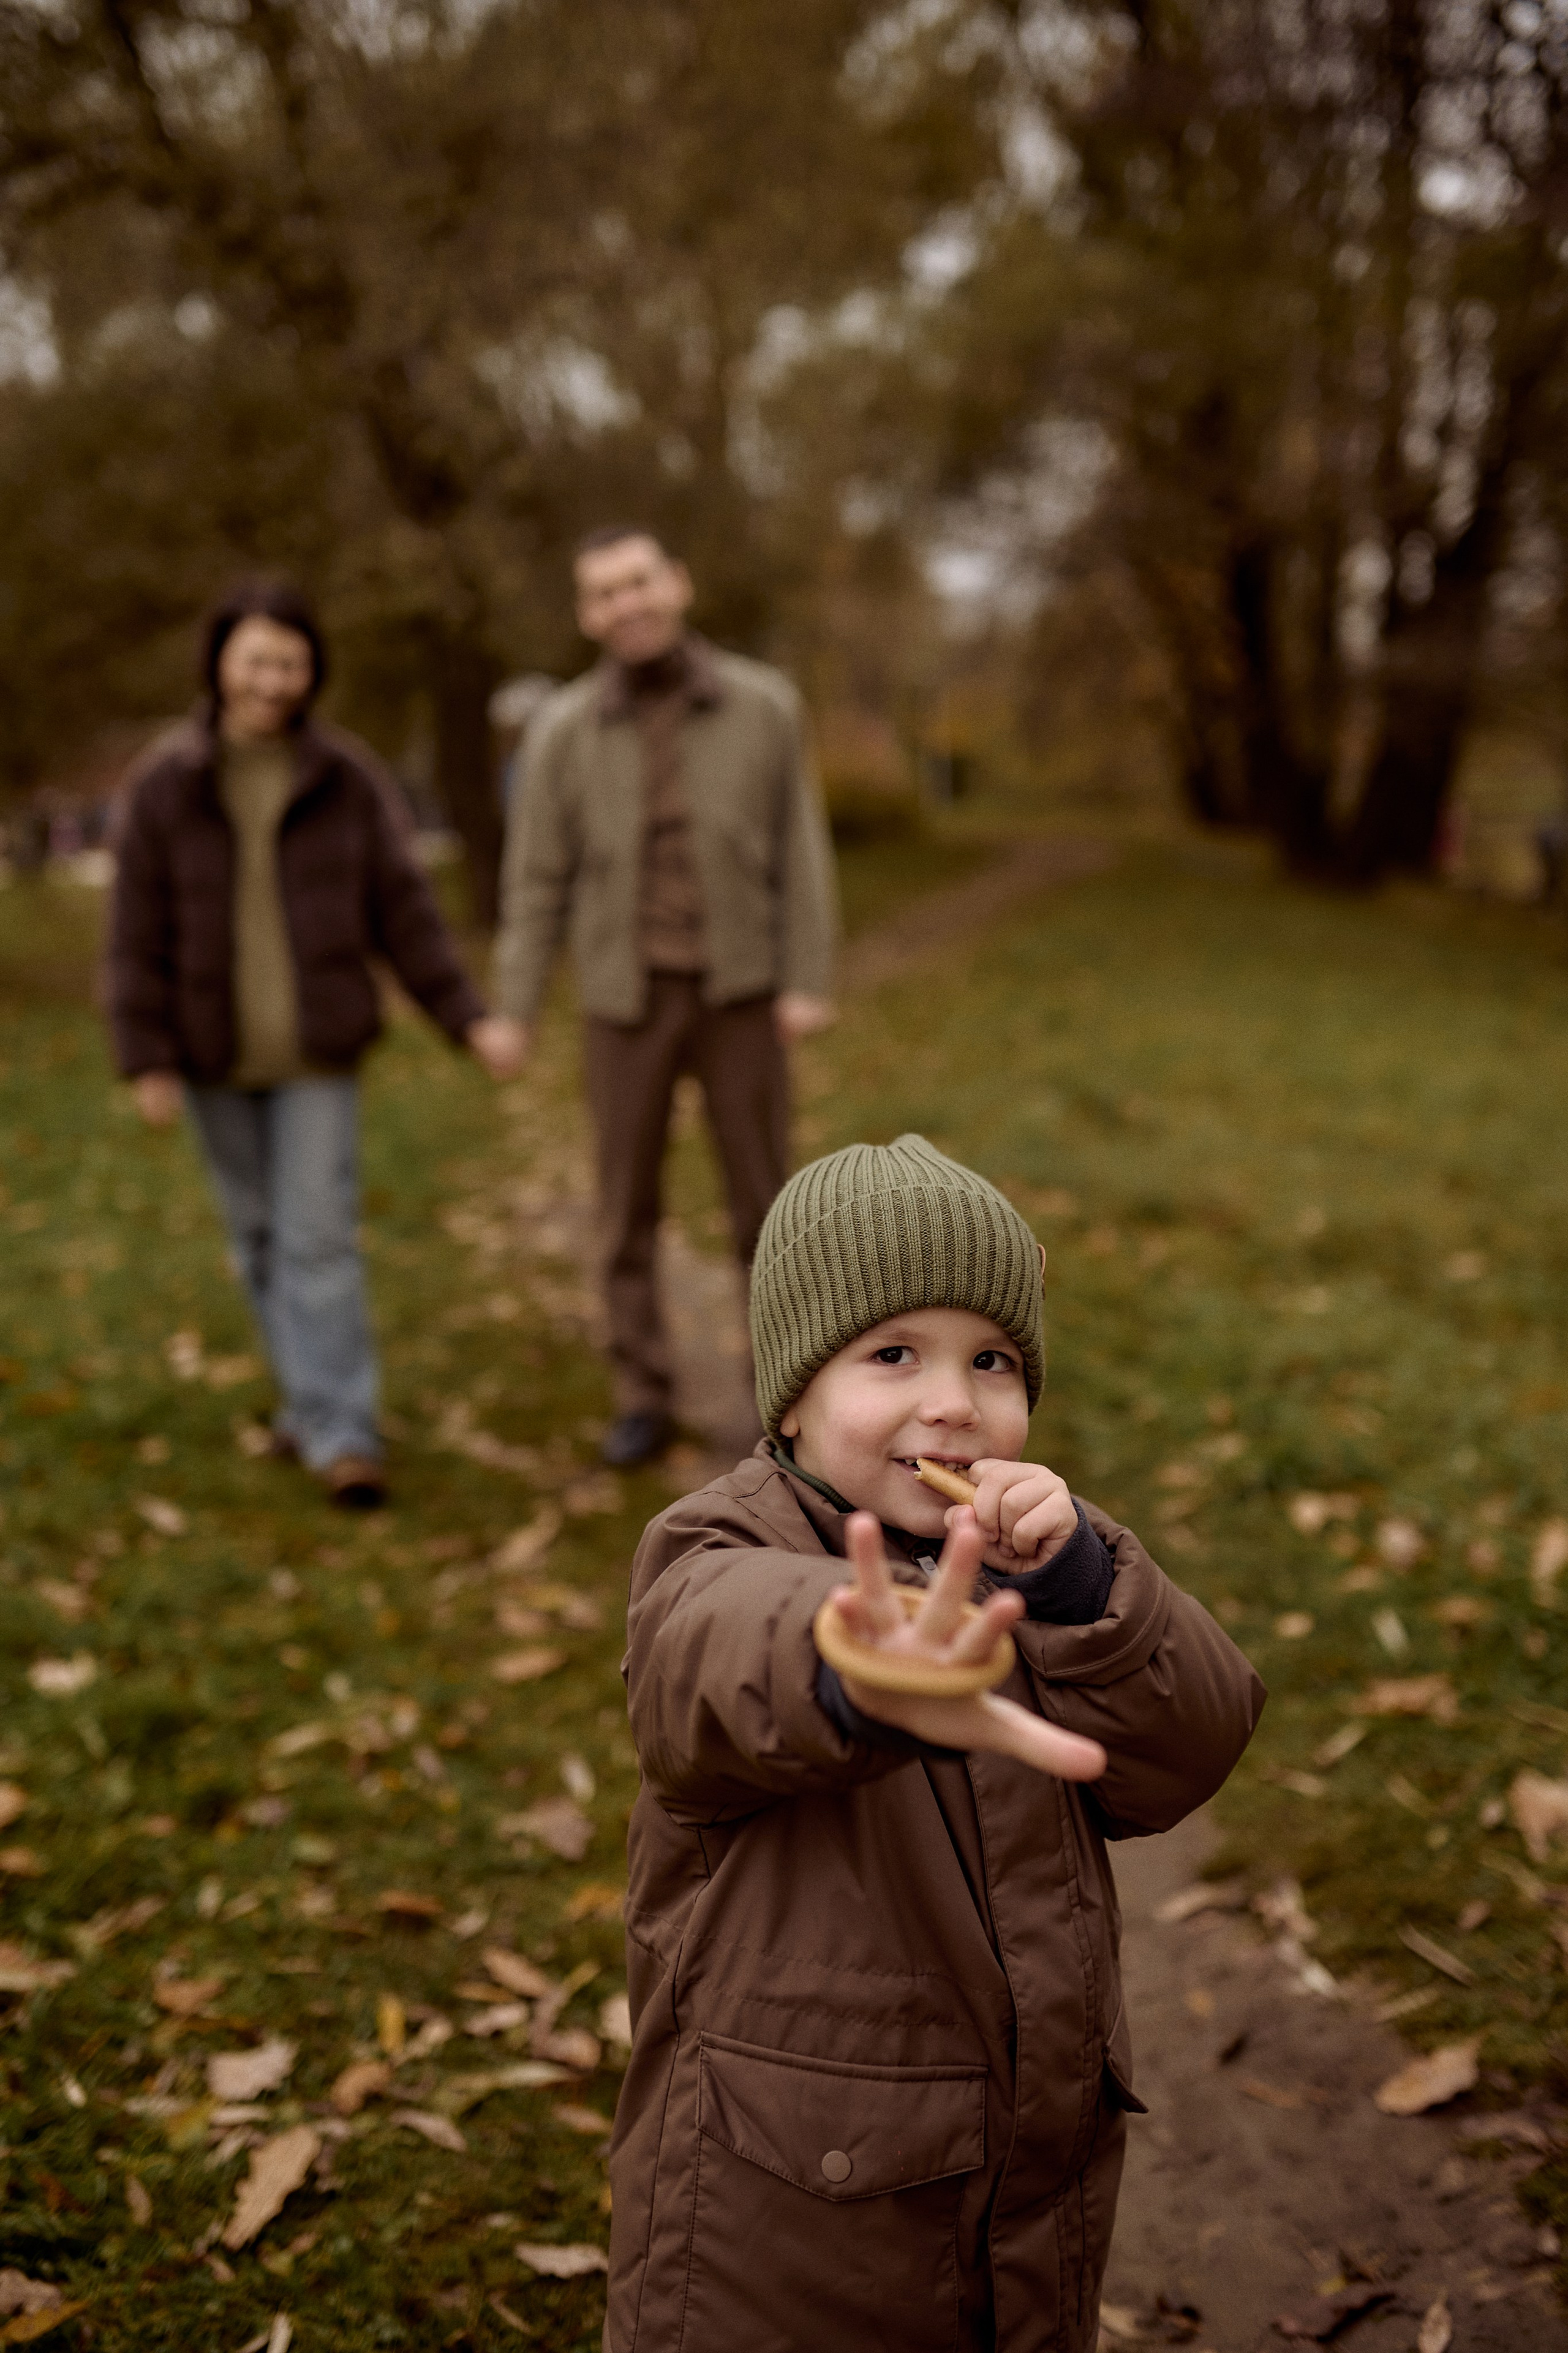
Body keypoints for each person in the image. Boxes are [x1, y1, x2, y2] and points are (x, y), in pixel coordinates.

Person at [609, 1135, 1264, 2352]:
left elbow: (1198, 1739)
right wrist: (852, 1660)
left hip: (1026, 2196)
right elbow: (705, 1659)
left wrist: (1084, 1587)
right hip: (782, 2236)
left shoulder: (1041, 1566)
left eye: (992, 1359)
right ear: (793, 1393)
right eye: (893, 1354)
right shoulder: (717, 1550)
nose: (956, 1401)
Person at [107, 578, 520, 1507]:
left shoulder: (345, 778)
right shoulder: (166, 783)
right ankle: (309, 1398)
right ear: (220, 662)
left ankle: (343, 1435)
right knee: (258, 1241)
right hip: (212, 1055)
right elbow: (133, 930)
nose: (272, 680)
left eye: (290, 662)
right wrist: (146, 1056)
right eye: (256, 659)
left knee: (319, 1239)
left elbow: (406, 912)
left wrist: (468, 1018)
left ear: (311, 671)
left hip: (318, 1057)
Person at [489, 526, 839, 1469]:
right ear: (586, 614)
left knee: (767, 1207)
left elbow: (801, 848)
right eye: (605, 592)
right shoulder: (564, 730)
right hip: (623, 997)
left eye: (639, 582)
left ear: (677, 584)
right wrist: (515, 1006)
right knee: (624, 1210)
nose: (627, 603)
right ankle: (643, 1392)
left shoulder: (765, 705)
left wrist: (807, 978)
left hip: (740, 991)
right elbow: (536, 878)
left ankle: (786, 1398)